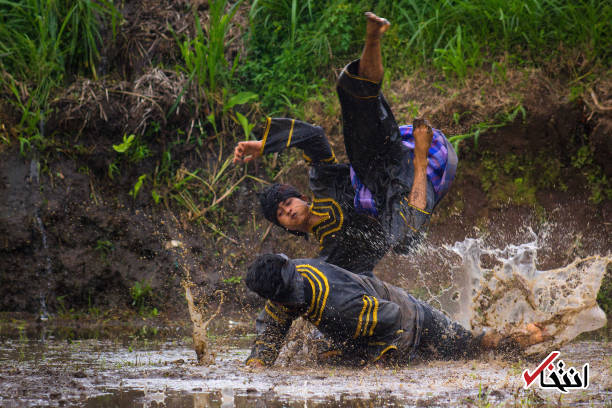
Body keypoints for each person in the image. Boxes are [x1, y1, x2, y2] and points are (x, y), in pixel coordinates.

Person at [233, 13, 458, 276]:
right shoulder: (332, 252)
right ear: (286, 228)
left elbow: (315, 138)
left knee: (351, 93)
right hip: (409, 189)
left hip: (382, 160)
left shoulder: (322, 184)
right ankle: (419, 160)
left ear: (302, 198)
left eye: (287, 203)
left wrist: (265, 144)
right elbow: (341, 283)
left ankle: (373, 37)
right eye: (282, 214)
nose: (288, 210)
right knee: (403, 242)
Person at [244, 254, 547, 368]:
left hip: (413, 320)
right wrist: (258, 361)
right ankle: (521, 335)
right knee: (324, 356)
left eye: (280, 301)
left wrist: (384, 363)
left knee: (471, 348)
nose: (279, 307)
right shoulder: (290, 278)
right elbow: (271, 326)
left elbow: (392, 317)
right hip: (380, 315)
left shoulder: (336, 304)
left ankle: (527, 336)